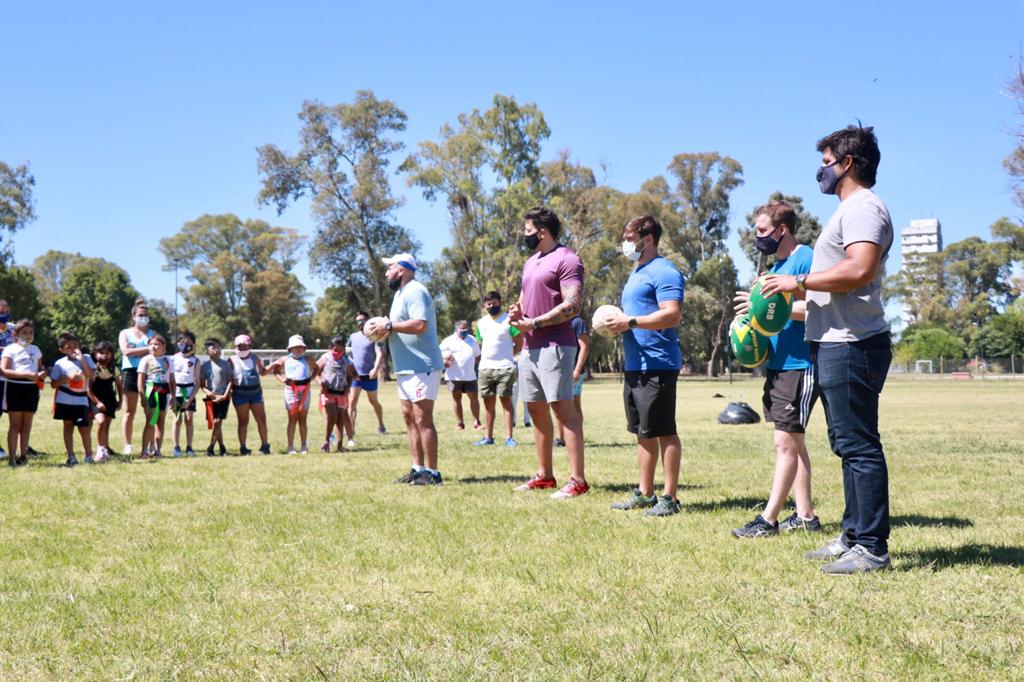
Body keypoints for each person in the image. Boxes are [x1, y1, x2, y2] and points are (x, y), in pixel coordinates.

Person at [761, 123, 894, 574]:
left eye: (826, 163)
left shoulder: (863, 208)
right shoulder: (848, 211)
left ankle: (872, 548)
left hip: (854, 344)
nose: (821, 171)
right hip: (835, 341)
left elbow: (859, 269)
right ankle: (852, 537)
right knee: (846, 444)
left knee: (859, 446)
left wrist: (796, 281)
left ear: (847, 163)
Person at [731, 201, 821, 537]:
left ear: (782, 229)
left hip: (802, 363)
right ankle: (806, 516)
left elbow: (819, 307)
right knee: (795, 442)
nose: (757, 236)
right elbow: (769, 318)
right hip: (779, 364)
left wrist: (770, 308)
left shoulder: (806, 258)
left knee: (785, 442)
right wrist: (750, 319)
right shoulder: (775, 267)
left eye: (762, 230)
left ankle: (768, 520)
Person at [603, 215, 686, 517]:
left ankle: (670, 498)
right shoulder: (637, 272)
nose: (625, 244)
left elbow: (672, 314)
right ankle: (645, 492)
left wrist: (632, 322)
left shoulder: (665, 271)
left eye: (629, 238)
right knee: (643, 431)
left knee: (664, 431)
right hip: (635, 364)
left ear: (647, 239)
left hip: (658, 363)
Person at [508, 206, 588, 499]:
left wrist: (536, 322)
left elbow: (573, 305)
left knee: (563, 411)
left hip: (556, 345)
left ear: (542, 232)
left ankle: (578, 481)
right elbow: (524, 300)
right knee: (535, 408)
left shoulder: (567, 259)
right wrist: (517, 313)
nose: (525, 236)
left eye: (528, 231)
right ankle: (544, 476)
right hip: (530, 348)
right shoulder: (530, 263)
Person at [365, 252, 444, 486]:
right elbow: (397, 327)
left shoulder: (416, 290)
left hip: (422, 365)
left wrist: (389, 325)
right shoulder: (400, 294)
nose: (386, 273)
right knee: (409, 417)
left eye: (389, 268)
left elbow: (420, 325)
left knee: (423, 418)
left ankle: (433, 473)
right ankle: (417, 470)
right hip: (405, 367)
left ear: (401, 270)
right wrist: (382, 329)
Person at [473, 291, 523, 447]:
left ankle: (509, 438)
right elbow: (481, 343)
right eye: (488, 304)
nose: (491, 306)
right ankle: (488, 437)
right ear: (484, 305)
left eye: (494, 303)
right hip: (485, 369)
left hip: (505, 368)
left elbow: (519, 344)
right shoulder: (481, 323)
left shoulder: (509, 320)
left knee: (506, 403)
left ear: (500, 302)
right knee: (488, 405)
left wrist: (507, 356)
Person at [2, 320, 45, 467]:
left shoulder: (36, 349)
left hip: (31, 389)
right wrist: (25, 375)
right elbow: (4, 371)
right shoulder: (10, 349)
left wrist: (42, 374)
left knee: (26, 426)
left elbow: (40, 369)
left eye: (30, 332)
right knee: (15, 425)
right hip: (14, 388)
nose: (28, 335)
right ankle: (12, 459)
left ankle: (23, 457)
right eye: (24, 332)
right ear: (16, 334)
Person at [51, 332, 96, 466]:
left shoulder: (86, 358)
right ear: (62, 350)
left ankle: (89, 456)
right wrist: (66, 378)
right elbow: (53, 384)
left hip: (81, 399)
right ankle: (71, 456)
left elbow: (91, 375)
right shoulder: (59, 363)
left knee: (84, 428)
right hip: (64, 399)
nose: (73, 349)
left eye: (75, 345)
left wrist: (82, 360)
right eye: (69, 347)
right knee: (68, 426)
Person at [118, 298, 155, 455]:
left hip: (149, 373)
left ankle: (151, 444)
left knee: (151, 411)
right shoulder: (125, 333)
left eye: (145, 315)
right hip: (130, 372)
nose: (143, 318)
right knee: (129, 411)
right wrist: (147, 349)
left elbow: (156, 351)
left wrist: (138, 351)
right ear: (133, 316)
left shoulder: (153, 334)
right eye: (140, 315)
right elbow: (126, 352)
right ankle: (128, 445)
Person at [271, 335, 318, 454]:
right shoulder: (284, 359)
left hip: (305, 390)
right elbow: (276, 371)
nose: (298, 349)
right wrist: (283, 380)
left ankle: (304, 446)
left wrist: (311, 379)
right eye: (295, 347)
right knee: (292, 418)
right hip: (291, 390)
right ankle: (290, 447)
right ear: (290, 349)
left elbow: (316, 369)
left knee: (303, 418)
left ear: (304, 348)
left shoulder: (308, 359)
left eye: (300, 347)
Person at [347, 311, 387, 443]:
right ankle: (351, 430)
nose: (360, 323)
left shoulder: (374, 335)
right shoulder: (353, 337)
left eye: (362, 320)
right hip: (356, 376)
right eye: (358, 321)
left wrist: (375, 369)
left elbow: (379, 353)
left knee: (373, 401)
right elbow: (347, 352)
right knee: (352, 402)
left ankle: (381, 425)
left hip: (370, 376)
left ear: (368, 321)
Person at [229, 334, 271, 455]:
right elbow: (228, 378)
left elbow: (263, 372)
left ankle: (265, 446)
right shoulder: (231, 360)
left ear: (249, 346)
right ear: (235, 346)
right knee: (243, 421)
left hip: (256, 393)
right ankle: (243, 447)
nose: (242, 348)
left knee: (261, 419)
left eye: (245, 345)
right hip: (239, 393)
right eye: (240, 346)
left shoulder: (254, 358)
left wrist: (274, 365)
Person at [137, 334, 175, 459]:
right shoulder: (146, 359)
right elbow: (140, 379)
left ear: (163, 346)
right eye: (151, 344)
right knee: (151, 421)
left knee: (160, 422)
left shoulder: (168, 360)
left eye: (156, 344)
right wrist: (142, 395)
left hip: (164, 391)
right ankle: (144, 451)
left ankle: (157, 450)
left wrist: (174, 395)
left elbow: (172, 379)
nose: (153, 346)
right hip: (151, 390)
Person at [439, 320, 482, 432]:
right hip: (454, 377)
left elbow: (478, 356)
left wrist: (482, 368)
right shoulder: (448, 341)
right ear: (456, 329)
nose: (464, 331)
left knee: (474, 398)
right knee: (456, 399)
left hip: (470, 376)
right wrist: (444, 361)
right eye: (462, 329)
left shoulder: (472, 340)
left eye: (466, 329)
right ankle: (460, 424)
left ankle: (477, 423)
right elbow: (439, 356)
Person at [554, 315, 590, 448]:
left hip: (574, 371)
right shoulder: (558, 320)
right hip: (558, 370)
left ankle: (577, 437)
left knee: (574, 405)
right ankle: (560, 438)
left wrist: (577, 370)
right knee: (558, 403)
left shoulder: (578, 322)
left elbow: (584, 347)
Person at [318, 336, 355, 452]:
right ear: (330, 348)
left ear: (344, 349)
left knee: (340, 418)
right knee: (332, 415)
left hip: (341, 393)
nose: (338, 352)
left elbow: (351, 375)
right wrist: (321, 383)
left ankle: (339, 446)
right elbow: (316, 372)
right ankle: (326, 441)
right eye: (335, 350)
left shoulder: (347, 360)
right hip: (328, 392)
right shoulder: (325, 357)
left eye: (341, 350)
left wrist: (348, 387)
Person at [89, 340, 121, 462]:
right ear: (95, 354)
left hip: (110, 399)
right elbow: (88, 389)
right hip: (96, 400)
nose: (104, 356)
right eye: (101, 353)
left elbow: (119, 385)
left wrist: (121, 400)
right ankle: (99, 449)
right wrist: (97, 402)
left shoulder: (113, 369)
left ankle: (105, 449)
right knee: (101, 422)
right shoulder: (93, 369)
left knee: (106, 426)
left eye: (107, 353)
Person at [200, 337, 232, 456]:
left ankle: (211, 447)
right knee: (216, 423)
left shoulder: (226, 364)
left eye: (218, 346)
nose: (216, 349)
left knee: (218, 421)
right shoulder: (205, 366)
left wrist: (225, 395)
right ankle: (222, 447)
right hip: (211, 398)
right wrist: (209, 393)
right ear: (207, 350)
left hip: (223, 397)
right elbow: (202, 385)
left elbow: (230, 381)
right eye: (212, 347)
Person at [171, 330, 200, 457]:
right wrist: (172, 396)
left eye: (188, 342)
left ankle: (189, 447)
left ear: (193, 344)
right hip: (177, 392)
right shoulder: (173, 359)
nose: (185, 345)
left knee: (189, 419)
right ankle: (176, 447)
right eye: (182, 342)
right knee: (177, 420)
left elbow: (198, 382)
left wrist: (190, 399)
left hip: (189, 392)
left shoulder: (195, 361)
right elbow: (170, 379)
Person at [0, 299, 13, 460]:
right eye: (1, 312)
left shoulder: (14, 329)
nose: (4, 314)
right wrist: (10, 349)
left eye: (6, 311)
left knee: (17, 411)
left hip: (14, 377)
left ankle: (22, 445)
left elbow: (24, 345)